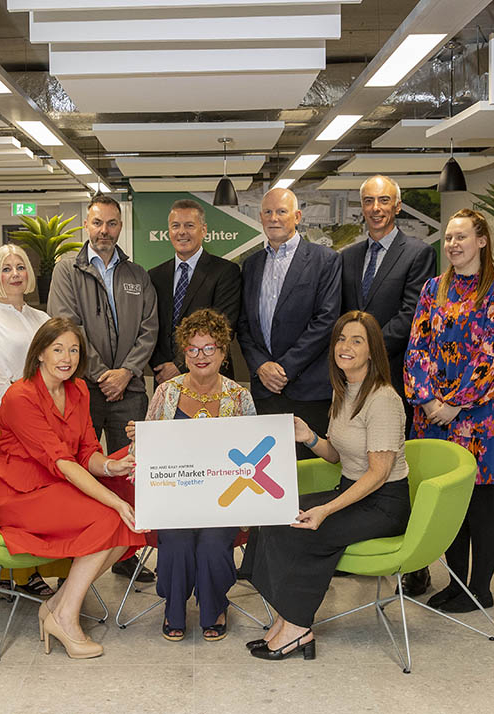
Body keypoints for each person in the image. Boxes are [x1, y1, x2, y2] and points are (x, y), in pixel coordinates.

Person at [247, 311, 411, 660]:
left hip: (384, 504)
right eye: (340, 339)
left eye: (357, 340)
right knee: (275, 515)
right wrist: (309, 437)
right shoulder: (345, 390)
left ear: (373, 351)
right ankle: (286, 616)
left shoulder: (383, 399)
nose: (345, 347)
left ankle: (298, 628)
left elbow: (378, 473)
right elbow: (338, 456)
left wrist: (325, 510)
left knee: (301, 530)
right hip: (352, 491)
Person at [0, 317, 145, 659]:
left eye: (74, 350)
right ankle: (64, 618)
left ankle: (60, 603)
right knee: (112, 517)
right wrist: (114, 502)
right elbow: (61, 461)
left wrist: (110, 466)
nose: (67, 357)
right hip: (21, 494)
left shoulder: (78, 389)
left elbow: (87, 450)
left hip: (59, 486)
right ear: (40, 353)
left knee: (135, 522)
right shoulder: (19, 396)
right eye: (57, 349)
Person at [404, 208, 494, 614]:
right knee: (450, 505)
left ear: (482, 241)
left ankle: (480, 589)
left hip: (479, 418)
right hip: (432, 414)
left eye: (460, 237)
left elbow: (492, 357)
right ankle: (456, 585)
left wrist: (455, 404)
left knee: (480, 505)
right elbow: (416, 347)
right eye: (448, 238)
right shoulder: (433, 288)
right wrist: (431, 401)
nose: (452, 244)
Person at [126, 308, 255, 642]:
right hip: (174, 497)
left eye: (209, 348)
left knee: (213, 542)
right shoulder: (166, 393)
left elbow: (255, 455)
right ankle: (174, 605)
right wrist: (137, 439)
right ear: (184, 353)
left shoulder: (239, 397)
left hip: (224, 500)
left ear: (223, 353)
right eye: (193, 349)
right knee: (179, 540)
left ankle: (215, 608)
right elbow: (144, 452)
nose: (201, 356)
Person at [47, 195, 158, 582]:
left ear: (120, 227)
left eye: (112, 224)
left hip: (130, 390)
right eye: (97, 223)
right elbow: (66, 327)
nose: (104, 231)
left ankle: (125, 552)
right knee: (81, 469)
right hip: (82, 390)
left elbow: (149, 329)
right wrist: (101, 374)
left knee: (132, 470)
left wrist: (126, 372)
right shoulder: (67, 270)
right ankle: (79, 553)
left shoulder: (137, 275)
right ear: (86, 226)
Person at [340, 174, 436, 596]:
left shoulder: (418, 253)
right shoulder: (348, 256)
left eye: (384, 200)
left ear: (396, 206)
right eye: (368, 201)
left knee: (397, 467)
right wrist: (352, 356)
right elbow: (345, 317)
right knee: (359, 461)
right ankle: (361, 546)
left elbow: (413, 314)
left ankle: (415, 564)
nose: (376, 207)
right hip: (352, 381)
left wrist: (367, 350)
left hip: (394, 374)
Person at [0, 243, 69, 597]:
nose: (14, 275)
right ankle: (7, 574)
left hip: (44, 421)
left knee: (40, 498)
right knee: (7, 498)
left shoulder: (42, 320)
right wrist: (26, 417)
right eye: (6, 269)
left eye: (20, 268)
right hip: (1, 421)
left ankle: (37, 568)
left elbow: (57, 372)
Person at [236, 187, 340, 461]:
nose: (274, 218)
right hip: (265, 391)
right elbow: (244, 323)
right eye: (268, 212)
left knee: (310, 473)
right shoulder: (251, 265)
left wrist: (284, 368)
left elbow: (326, 320)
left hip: (307, 389)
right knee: (266, 469)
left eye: (281, 212)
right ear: (260, 217)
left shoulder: (325, 260)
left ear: (297, 216)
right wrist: (261, 366)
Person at [148, 199, 241, 384]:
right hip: (164, 378)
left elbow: (223, 328)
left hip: (210, 379)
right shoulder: (154, 275)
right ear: (169, 231)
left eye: (189, 225)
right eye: (176, 226)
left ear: (204, 230)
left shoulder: (225, 272)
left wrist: (179, 366)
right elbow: (150, 326)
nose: (182, 232)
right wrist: (161, 366)